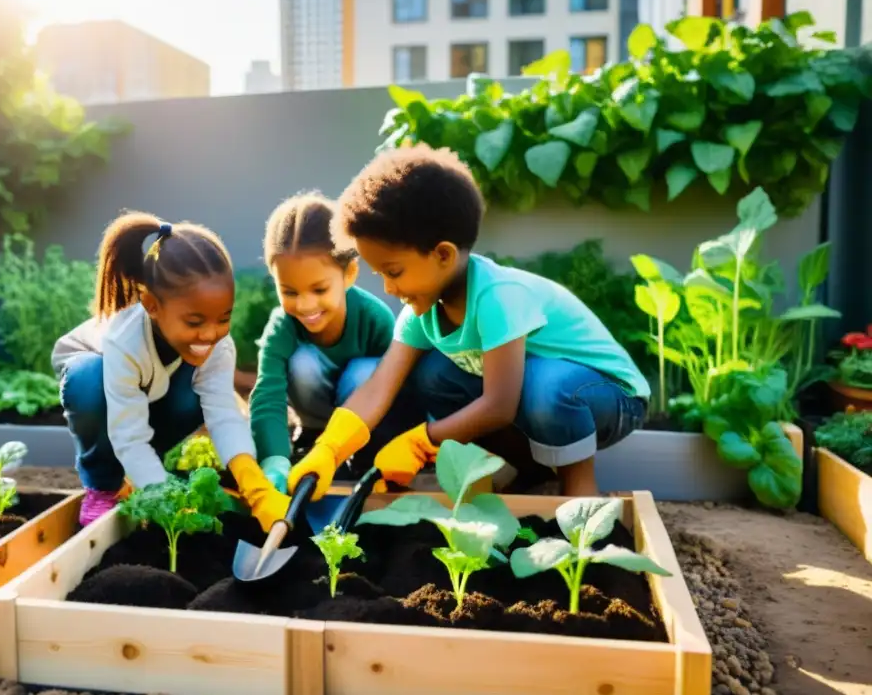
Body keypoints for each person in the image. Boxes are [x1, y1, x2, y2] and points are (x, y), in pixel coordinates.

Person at [286, 144, 650, 500]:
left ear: (442, 254)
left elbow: (500, 405)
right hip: (544, 400)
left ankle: (579, 492)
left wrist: (422, 440)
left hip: (610, 396)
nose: (388, 287)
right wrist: (328, 450)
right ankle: (525, 472)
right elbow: (379, 386)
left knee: (545, 385)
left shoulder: (497, 297)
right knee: (434, 375)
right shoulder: (422, 309)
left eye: (393, 272)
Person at [51, 211, 287, 528]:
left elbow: (223, 414)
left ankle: (148, 472)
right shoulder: (125, 340)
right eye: (195, 321)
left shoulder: (217, 343)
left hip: (155, 388)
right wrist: (169, 501)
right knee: (88, 382)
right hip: (95, 377)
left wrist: (254, 485)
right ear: (152, 305)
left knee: (195, 398)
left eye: (223, 318)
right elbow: (129, 436)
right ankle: (103, 486)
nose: (210, 334)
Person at [250, 191, 422, 492]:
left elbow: (396, 390)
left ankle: (356, 456)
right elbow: (268, 395)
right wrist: (274, 461)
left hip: (361, 423)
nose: (305, 305)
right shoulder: (283, 326)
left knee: (367, 373)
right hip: (316, 417)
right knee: (302, 363)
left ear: (349, 274)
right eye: (290, 292)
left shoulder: (373, 317)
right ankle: (312, 437)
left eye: (319, 290)